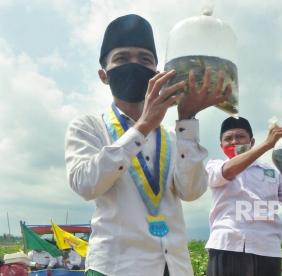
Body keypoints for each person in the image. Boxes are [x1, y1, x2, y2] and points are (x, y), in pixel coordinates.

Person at [64, 14, 230, 276]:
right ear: (103, 75)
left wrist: (187, 121)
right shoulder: (88, 127)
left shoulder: (173, 137)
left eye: (144, 59)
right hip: (115, 267)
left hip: (173, 267)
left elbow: (192, 191)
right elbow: (86, 184)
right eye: (121, 58)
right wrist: (142, 126)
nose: (134, 65)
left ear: (157, 72)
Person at [205, 117, 282, 276]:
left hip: (268, 249)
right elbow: (228, 171)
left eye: (240, 136)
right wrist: (267, 144)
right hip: (227, 244)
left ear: (251, 141)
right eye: (228, 138)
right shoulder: (215, 165)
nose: (234, 141)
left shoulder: (272, 172)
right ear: (221, 146)